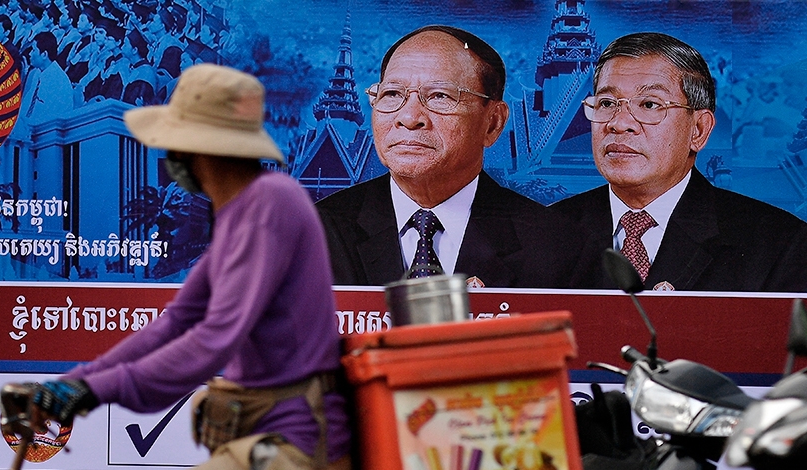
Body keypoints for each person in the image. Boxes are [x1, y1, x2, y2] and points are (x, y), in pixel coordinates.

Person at [27, 63, 352, 470]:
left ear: (197, 149)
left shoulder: (270, 203)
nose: (168, 155)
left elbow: (214, 337)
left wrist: (96, 390)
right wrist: (76, 381)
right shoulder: (241, 211)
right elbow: (178, 320)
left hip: (295, 452)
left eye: (174, 143)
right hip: (267, 440)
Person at [316, 25, 590, 288]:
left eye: (439, 96)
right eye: (391, 94)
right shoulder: (314, 233)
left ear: (493, 123)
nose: (409, 118)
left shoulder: (557, 247)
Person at [553, 32, 807, 292]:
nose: (619, 123)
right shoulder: (546, 231)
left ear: (698, 130)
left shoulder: (780, 245)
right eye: (606, 103)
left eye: (649, 104)